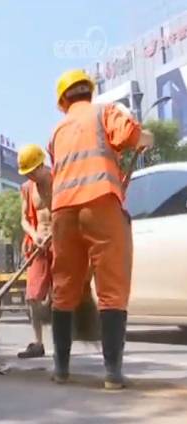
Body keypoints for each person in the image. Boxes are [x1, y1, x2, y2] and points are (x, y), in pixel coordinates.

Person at [48, 69, 154, 389]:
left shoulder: (56, 131)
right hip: (100, 205)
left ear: (63, 100)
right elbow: (129, 136)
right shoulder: (103, 112)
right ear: (89, 92)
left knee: (64, 288)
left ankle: (62, 370)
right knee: (112, 285)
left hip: (63, 212)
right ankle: (112, 374)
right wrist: (146, 138)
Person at [16, 144, 53, 359]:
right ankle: (38, 343)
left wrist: (56, 231)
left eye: (32, 171)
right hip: (39, 245)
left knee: (62, 295)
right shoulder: (27, 188)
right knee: (32, 296)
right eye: (27, 173)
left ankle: (63, 339)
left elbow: (68, 210)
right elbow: (23, 219)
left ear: (41, 164)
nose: (30, 176)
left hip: (60, 242)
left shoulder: (59, 179)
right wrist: (34, 234)